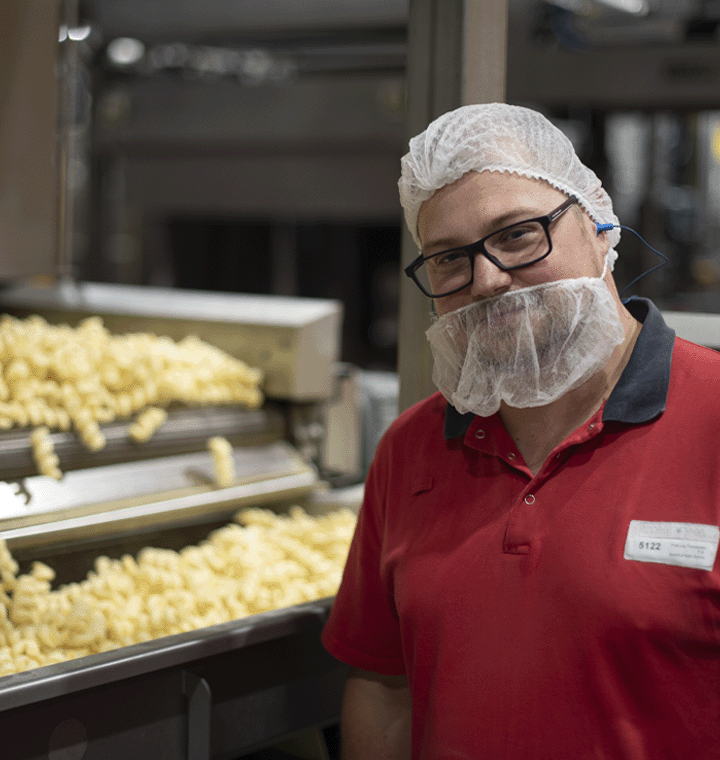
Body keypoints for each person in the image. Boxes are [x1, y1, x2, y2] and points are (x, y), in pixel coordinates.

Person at [320, 102, 720, 760]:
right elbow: (386, 686)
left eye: (517, 235)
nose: (488, 279)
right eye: (449, 259)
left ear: (598, 220)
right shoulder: (411, 450)